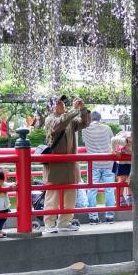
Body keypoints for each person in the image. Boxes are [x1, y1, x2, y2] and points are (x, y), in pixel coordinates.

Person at [43, 94, 91, 233]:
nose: (62, 104)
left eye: (62, 102)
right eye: (58, 102)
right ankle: (50, 224)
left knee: (70, 196)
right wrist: (74, 111)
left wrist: (83, 110)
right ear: (51, 107)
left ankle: (65, 222)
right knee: (53, 197)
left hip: (70, 164)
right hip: (55, 164)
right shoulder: (50, 119)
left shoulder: (70, 119)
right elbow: (58, 125)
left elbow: (85, 123)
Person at [81, 111, 116, 224]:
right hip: (107, 163)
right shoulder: (107, 128)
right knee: (109, 189)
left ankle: (93, 217)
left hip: (93, 164)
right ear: (100, 118)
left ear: (90, 119)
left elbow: (85, 142)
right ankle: (110, 216)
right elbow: (113, 142)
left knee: (92, 190)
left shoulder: (85, 129)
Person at [111, 129, 132, 207]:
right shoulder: (123, 141)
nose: (130, 143)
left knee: (131, 179)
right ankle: (120, 198)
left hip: (131, 161)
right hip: (121, 161)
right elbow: (113, 140)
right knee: (121, 180)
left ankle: (129, 197)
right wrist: (114, 151)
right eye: (129, 142)